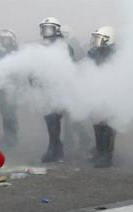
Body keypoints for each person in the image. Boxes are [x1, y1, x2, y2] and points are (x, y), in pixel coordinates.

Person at [38, 17, 74, 163]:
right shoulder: (43, 47)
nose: (46, 32)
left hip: (58, 90)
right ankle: (57, 148)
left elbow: (67, 67)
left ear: (56, 30)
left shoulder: (64, 46)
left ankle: (54, 149)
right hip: (46, 90)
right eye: (44, 28)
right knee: (49, 119)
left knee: (54, 119)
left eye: (49, 28)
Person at [87, 26, 117, 168]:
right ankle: (100, 152)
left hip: (110, 95)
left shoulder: (115, 55)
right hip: (96, 93)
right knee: (97, 124)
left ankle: (107, 156)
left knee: (108, 126)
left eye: (99, 39)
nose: (96, 42)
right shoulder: (94, 54)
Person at [0, 29, 19, 148]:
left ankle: (12, 137)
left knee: (10, 112)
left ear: (11, 40)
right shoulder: (1, 53)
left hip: (12, 87)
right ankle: (7, 135)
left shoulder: (15, 52)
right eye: (3, 39)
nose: (5, 42)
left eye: (7, 39)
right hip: (2, 87)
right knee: (4, 111)